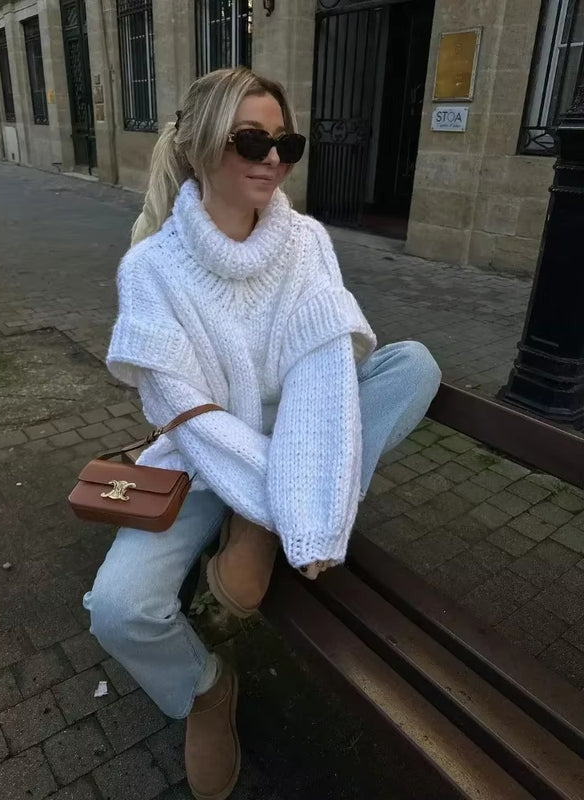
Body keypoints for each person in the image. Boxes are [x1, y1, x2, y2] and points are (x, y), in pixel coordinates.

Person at [83, 67, 441, 800]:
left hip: (300, 440)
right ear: (200, 149)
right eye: (252, 140)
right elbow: (187, 414)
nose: (273, 159)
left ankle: (270, 526)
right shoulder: (150, 268)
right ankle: (207, 691)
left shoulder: (306, 241)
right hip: (206, 457)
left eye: (287, 143)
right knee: (117, 610)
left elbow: (322, 376)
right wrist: (278, 495)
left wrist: (297, 511)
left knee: (411, 364)